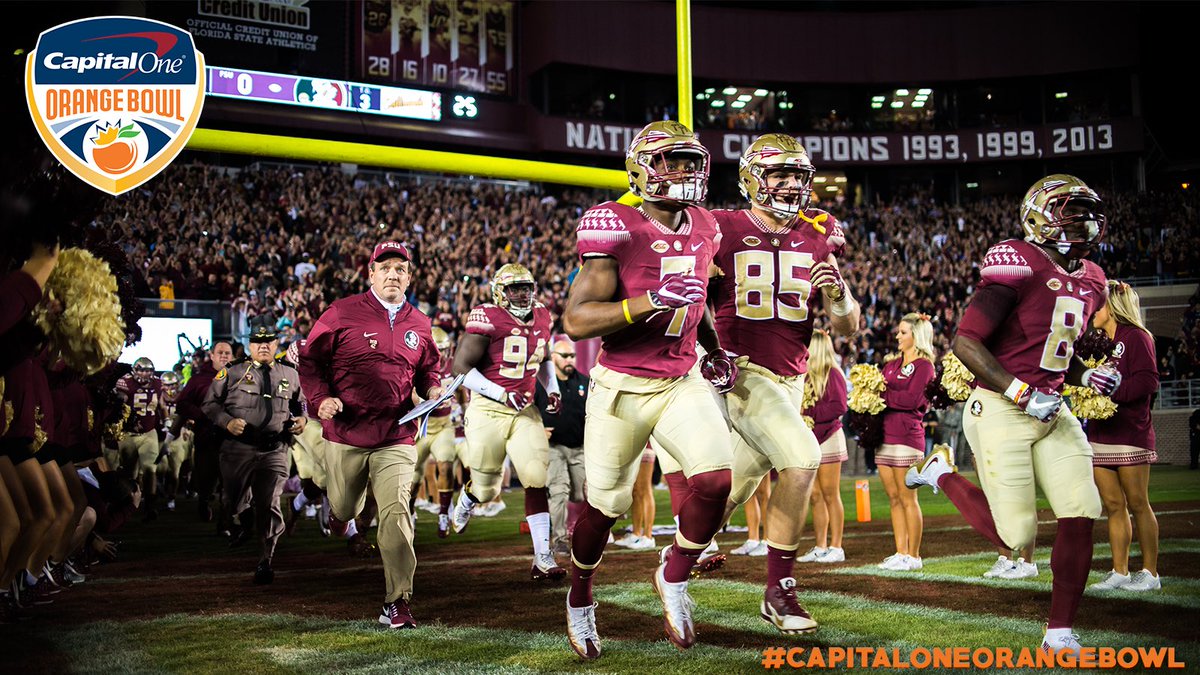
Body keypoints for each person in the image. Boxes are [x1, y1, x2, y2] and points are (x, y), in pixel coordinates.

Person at [906, 174, 1115, 654]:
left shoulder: (1093, 280)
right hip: (1002, 404)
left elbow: (1058, 348)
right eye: (1069, 210)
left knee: (1081, 511)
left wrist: (1086, 376)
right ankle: (941, 474)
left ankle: (1059, 631)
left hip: (1051, 408)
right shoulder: (1018, 260)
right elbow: (965, 341)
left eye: (1086, 211)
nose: (1082, 221)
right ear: (1040, 215)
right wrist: (1021, 393)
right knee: (1014, 535)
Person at [561, 120, 736, 658]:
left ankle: (675, 574)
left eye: (690, 161)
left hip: (680, 378)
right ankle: (580, 595)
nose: (684, 171)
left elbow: (697, 297)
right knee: (606, 505)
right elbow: (577, 318)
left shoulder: (707, 224)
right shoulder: (617, 225)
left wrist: (712, 347)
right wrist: (647, 301)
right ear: (640, 170)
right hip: (622, 385)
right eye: (671, 161)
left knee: (716, 482)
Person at [707, 133, 860, 633]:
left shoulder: (817, 236)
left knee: (731, 487)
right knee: (802, 458)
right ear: (753, 177)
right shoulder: (721, 227)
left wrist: (838, 297)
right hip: (745, 370)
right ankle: (780, 590)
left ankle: (674, 564)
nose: (792, 184)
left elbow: (847, 326)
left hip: (792, 378)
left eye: (798, 175)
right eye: (780, 174)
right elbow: (692, 299)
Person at [298, 241, 443, 629]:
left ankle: (397, 601)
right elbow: (310, 362)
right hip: (345, 433)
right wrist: (320, 398)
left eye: (400, 268)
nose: (393, 274)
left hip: (396, 434)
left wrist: (432, 390)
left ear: (409, 277)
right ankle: (338, 513)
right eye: (385, 267)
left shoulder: (421, 322)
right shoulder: (341, 312)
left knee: (396, 515)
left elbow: (430, 369)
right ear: (371, 273)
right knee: (346, 507)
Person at [450, 263, 564, 581]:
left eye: (527, 287)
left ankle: (543, 557)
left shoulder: (543, 315)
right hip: (488, 409)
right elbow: (461, 367)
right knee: (488, 489)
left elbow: (542, 358)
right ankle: (468, 498)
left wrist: (551, 389)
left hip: (524, 410)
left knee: (536, 476)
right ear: (501, 291)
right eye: (515, 288)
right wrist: (501, 394)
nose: (523, 293)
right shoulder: (487, 316)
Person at [203, 325, 306, 585]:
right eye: (258, 342)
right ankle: (242, 516)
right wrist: (226, 421)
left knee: (269, 502)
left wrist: (302, 419)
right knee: (231, 500)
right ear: (249, 346)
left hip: (274, 448)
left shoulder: (290, 374)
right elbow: (209, 404)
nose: (263, 346)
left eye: (269, 341)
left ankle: (265, 560)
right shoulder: (233, 372)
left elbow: (300, 403)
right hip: (238, 448)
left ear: (276, 344)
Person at [1087, 281, 1161, 592]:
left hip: (1130, 432)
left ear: (1113, 306)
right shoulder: (1097, 342)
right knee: (1113, 505)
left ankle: (1150, 573)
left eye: (1098, 305)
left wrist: (1112, 393)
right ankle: (1120, 571)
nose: (1093, 310)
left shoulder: (1138, 337)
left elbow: (1148, 382)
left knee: (1138, 503)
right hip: (1100, 433)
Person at [875, 313, 936, 572]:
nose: (898, 336)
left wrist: (884, 394)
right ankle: (901, 552)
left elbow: (912, 400)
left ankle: (914, 555)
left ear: (916, 336)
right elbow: (880, 392)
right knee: (893, 498)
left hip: (907, 437)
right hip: (884, 436)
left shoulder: (925, 367)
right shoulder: (891, 365)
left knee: (908, 498)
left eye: (903, 332)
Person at [535, 337, 589, 558]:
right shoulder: (541, 385)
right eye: (565, 356)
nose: (570, 360)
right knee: (559, 490)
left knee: (580, 494)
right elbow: (529, 412)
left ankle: (590, 532)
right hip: (553, 446)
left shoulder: (584, 382)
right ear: (553, 357)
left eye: (572, 356)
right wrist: (538, 429)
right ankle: (559, 540)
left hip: (579, 447)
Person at [798, 329, 849, 564]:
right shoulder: (804, 375)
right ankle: (820, 545)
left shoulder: (833, 374)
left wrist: (808, 413)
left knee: (830, 493)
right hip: (810, 438)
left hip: (828, 437)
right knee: (815, 495)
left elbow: (839, 406)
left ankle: (836, 546)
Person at [409, 326, 462, 539]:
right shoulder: (416, 366)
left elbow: (460, 390)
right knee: (413, 477)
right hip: (421, 427)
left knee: (446, 465)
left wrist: (463, 410)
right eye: (438, 350)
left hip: (444, 426)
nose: (442, 355)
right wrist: (423, 400)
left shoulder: (452, 366)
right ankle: (410, 510)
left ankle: (443, 513)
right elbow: (411, 394)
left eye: (444, 349)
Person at [171, 343, 233, 522]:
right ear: (212, 355)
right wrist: (202, 415)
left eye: (227, 353)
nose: (223, 356)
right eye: (220, 353)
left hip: (231, 440)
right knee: (206, 480)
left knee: (229, 483)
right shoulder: (198, 379)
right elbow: (182, 404)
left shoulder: (241, 377)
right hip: (206, 438)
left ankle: (225, 522)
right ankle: (204, 502)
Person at [114, 358, 165, 519]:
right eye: (141, 370)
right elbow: (118, 403)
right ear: (135, 371)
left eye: (148, 370)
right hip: (128, 434)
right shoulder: (125, 383)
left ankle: (150, 506)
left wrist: (166, 422)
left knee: (150, 469)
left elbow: (161, 404)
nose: (145, 374)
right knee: (129, 472)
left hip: (149, 433)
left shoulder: (157, 383)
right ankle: (128, 503)